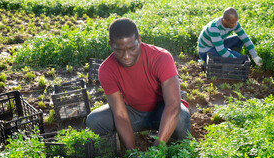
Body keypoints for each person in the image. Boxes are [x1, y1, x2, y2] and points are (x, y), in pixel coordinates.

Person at [86, 18, 191, 150]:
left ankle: (174, 146)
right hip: (132, 112)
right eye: (119, 50)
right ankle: (119, 148)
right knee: (94, 121)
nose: (126, 56)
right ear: (110, 44)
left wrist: (156, 151)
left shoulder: (161, 57)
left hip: (162, 110)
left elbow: (173, 106)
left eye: (132, 48)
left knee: (181, 118)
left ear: (139, 39)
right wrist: (133, 153)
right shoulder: (106, 69)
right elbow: (120, 114)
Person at [198, 7, 263, 66]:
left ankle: (230, 59)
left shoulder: (234, 23)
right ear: (225, 20)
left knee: (239, 39)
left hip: (218, 45)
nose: (235, 24)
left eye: (236, 22)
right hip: (206, 51)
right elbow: (221, 50)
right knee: (238, 57)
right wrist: (236, 60)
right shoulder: (214, 28)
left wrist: (255, 56)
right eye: (232, 23)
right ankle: (208, 63)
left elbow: (246, 39)